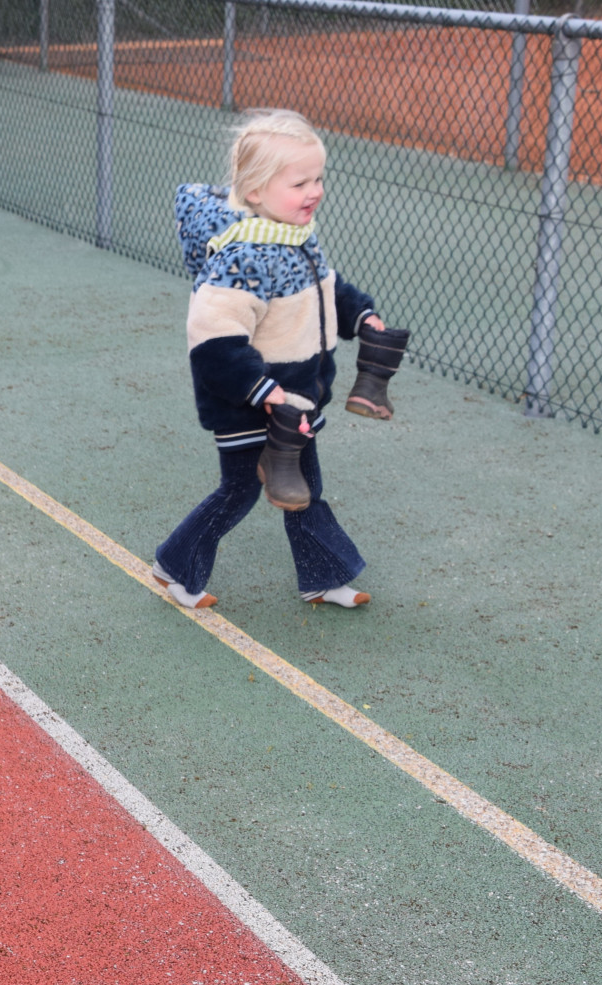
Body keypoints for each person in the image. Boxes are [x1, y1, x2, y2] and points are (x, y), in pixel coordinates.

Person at [151, 109, 409, 610]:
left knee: (305, 488)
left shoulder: (297, 239)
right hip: (248, 403)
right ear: (254, 191)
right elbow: (214, 341)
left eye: (318, 179)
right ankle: (175, 567)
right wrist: (262, 390)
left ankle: (323, 578)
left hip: (295, 399)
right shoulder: (240, 257)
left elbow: (328, 289)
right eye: (299, 183)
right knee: (239, 491)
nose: (314, 191)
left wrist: (363, 316)